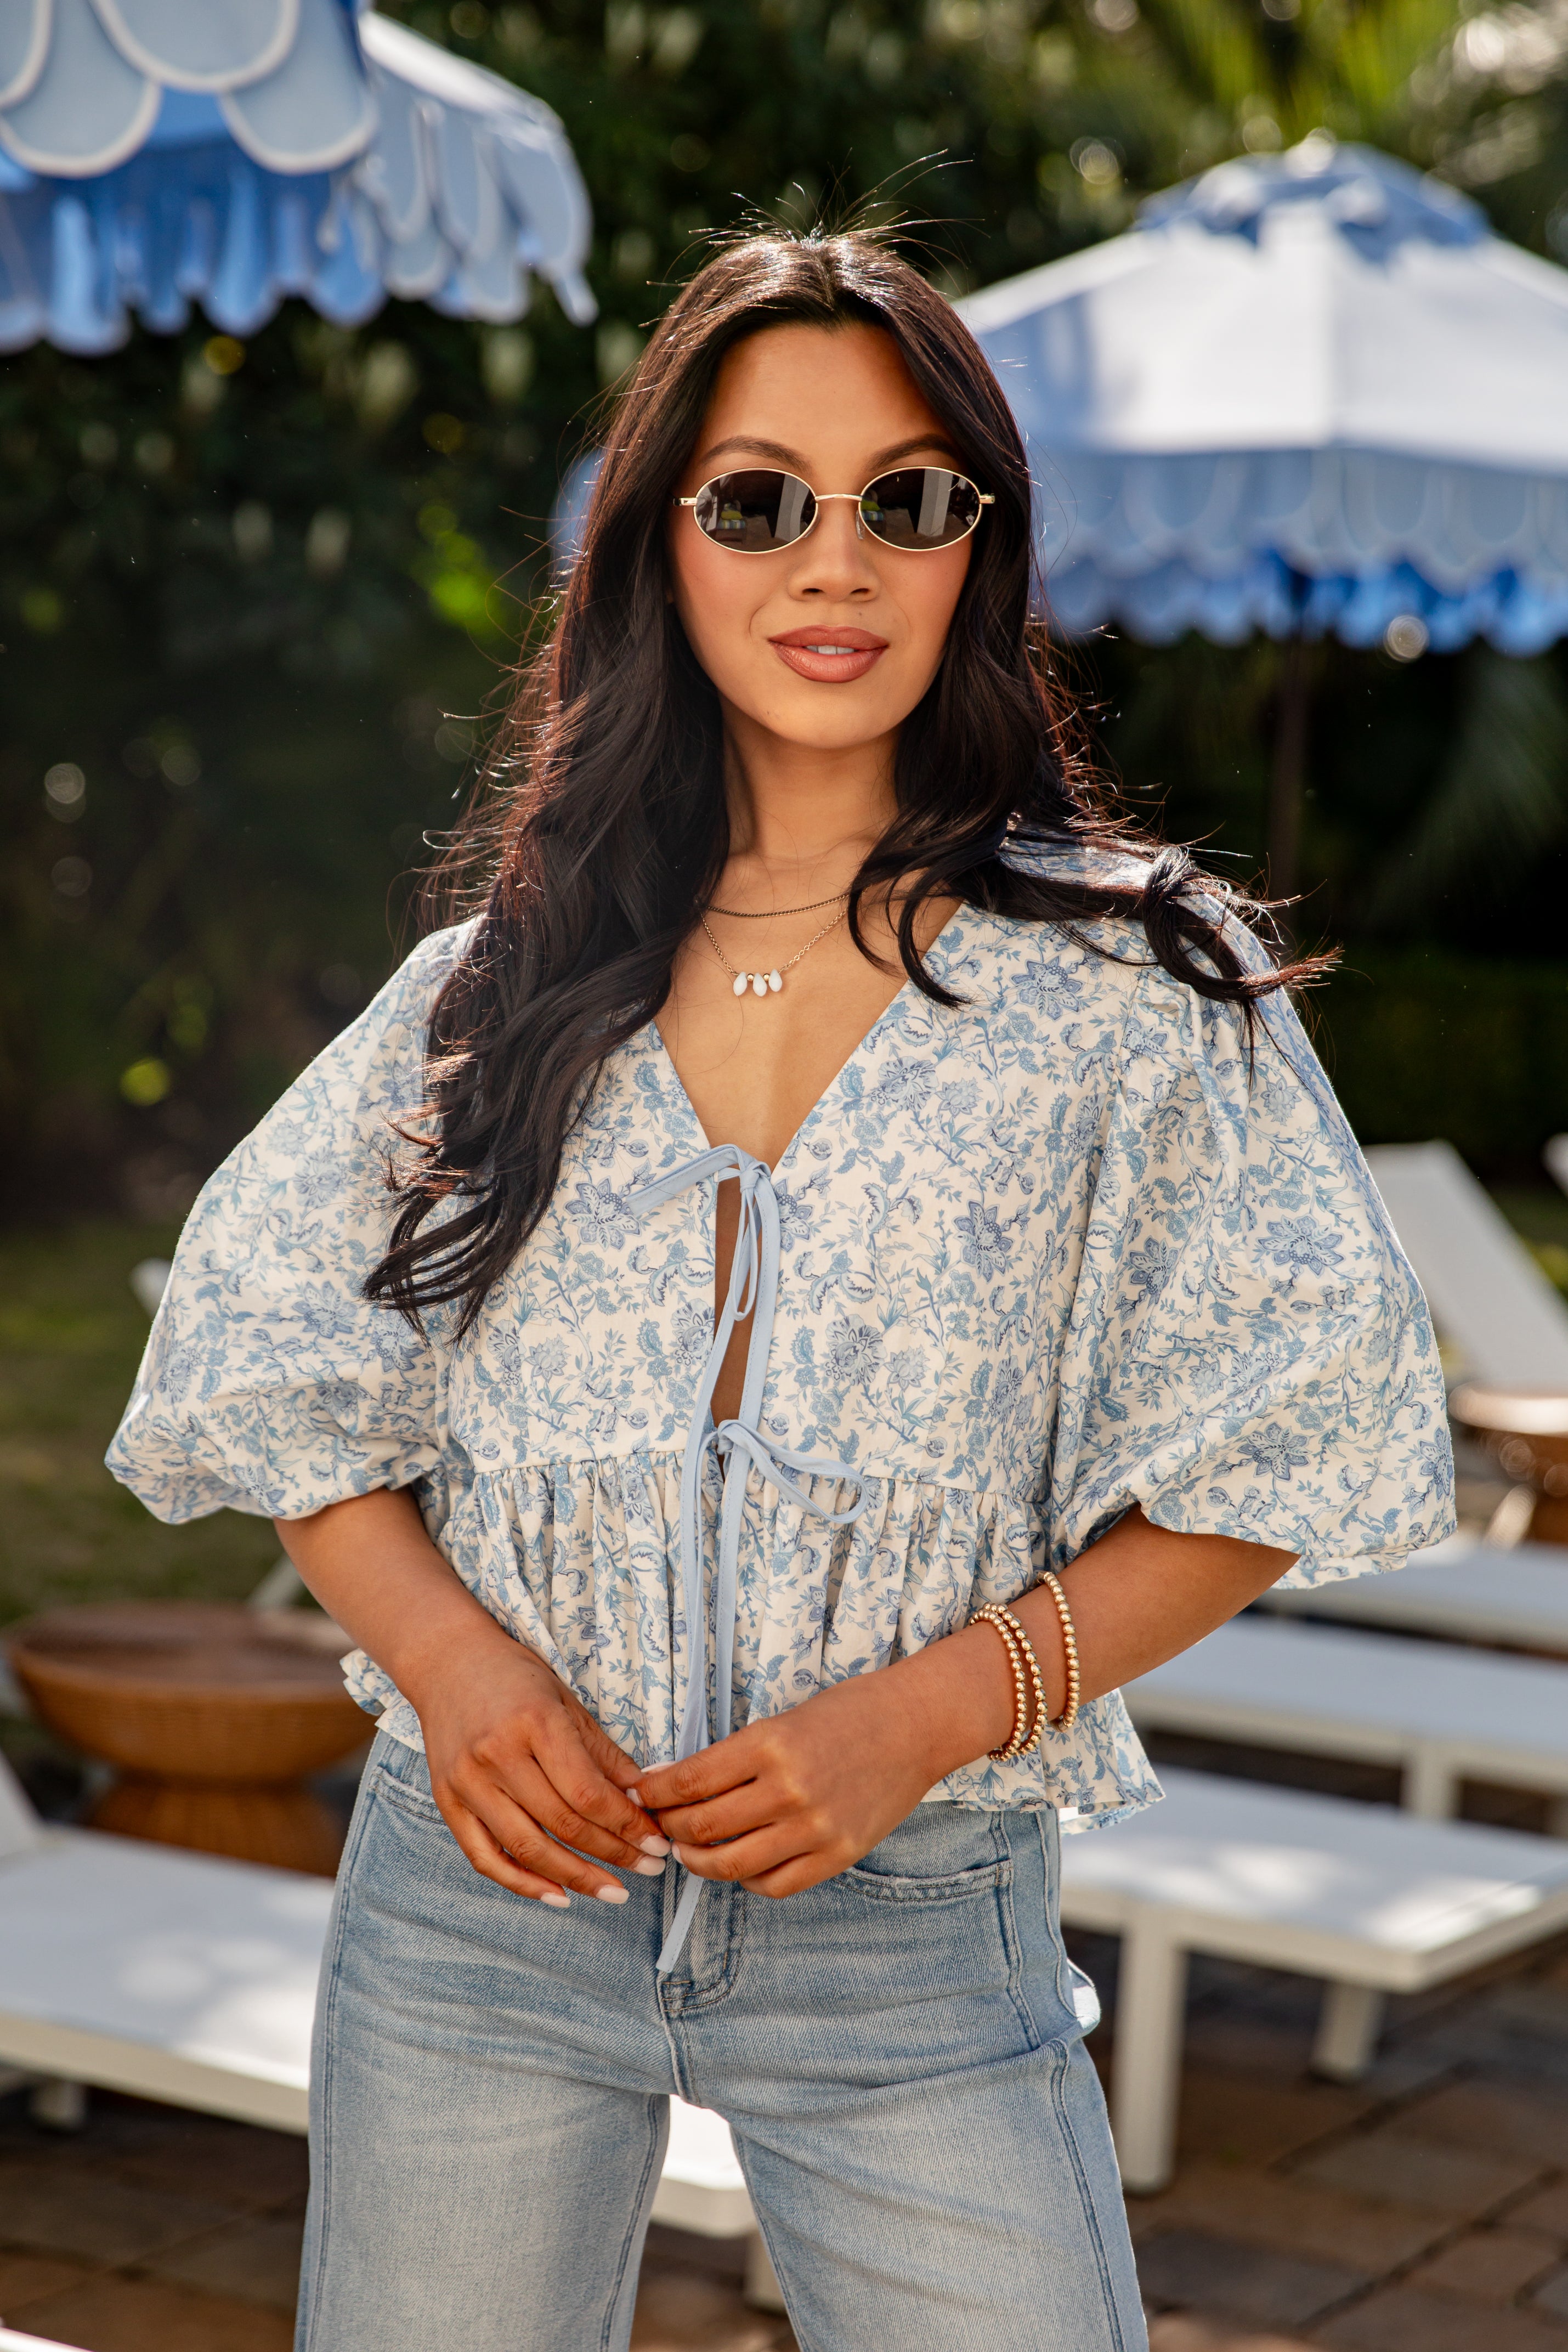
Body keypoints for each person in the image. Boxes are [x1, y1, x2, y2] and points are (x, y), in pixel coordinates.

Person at [109, 227, 1454, 2352]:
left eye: (905, 499)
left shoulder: (1128, 984)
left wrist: (918, 1718)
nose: (834, 560)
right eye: (758, 500)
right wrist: (459, 1674)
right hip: (482, 1911)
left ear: (975, 555)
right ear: (665, 545)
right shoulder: (501, 981)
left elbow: (1283, 1441)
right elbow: (283, 1373)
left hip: (907, 1931)